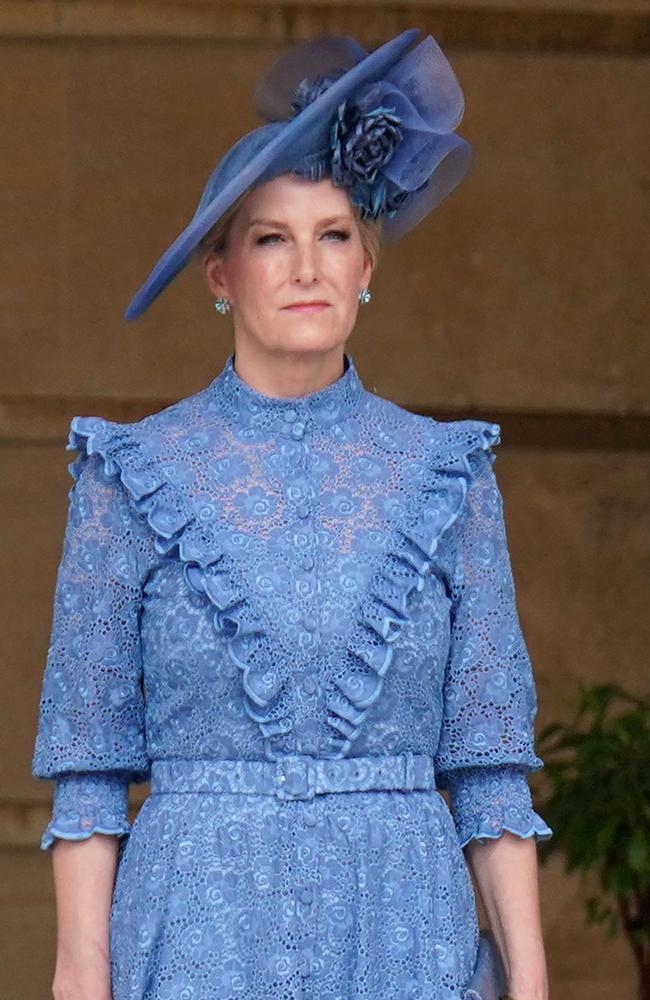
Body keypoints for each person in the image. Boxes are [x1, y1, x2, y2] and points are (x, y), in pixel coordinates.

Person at [31, 27, 553, 1000]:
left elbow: (487, 768)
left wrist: (527, 982)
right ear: (219, 274)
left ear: (368, 264)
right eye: (270, 237)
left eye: (333, 235)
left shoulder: (450, 474)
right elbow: (89, 776)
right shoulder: (128, 475)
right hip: (194, 929)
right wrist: (79, 981)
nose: (305, 266)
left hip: (404, 929)